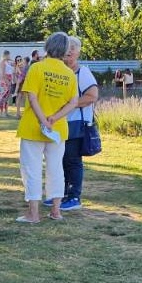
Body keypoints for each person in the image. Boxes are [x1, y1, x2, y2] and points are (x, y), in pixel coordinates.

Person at [15, 31, 78, 223]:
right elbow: (73, 102)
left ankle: (33, 214)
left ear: (47, 46)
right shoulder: (69, 74)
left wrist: (42, 120)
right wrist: (53, 118)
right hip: (57, 129)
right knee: (56, 169)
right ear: (65, 50)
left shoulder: (37, 68)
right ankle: (56, 211)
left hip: (33, 127)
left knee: (31, 169)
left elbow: (32, 97)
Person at [45, 36, 98, 212]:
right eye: (67, 49)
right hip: (62, 122)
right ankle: (60, 195)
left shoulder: (82, 72)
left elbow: (92, 96)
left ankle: (74, 197)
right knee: (60, 160)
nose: (69, 53)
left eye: (72, 50)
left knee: (72, 160)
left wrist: (69, 105)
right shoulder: (60, 71)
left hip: (76, 123)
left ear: (78, 53)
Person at [0, 50, 13, 116]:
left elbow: (15, 64)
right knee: (3, 96)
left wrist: (10, 59)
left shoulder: (8, 62)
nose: (9, 56)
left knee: (7, 97)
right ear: (6, 55)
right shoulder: (2, 62)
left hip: (9, 79)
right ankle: (2, 112)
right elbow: (3, 73)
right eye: (9, 55)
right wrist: (7, 81)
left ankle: (6, 112)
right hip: (5, 80)